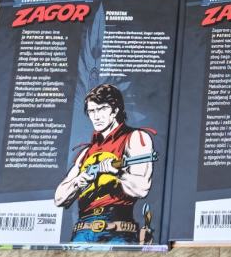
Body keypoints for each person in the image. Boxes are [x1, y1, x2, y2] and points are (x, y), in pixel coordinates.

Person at [54, 84, 156, 244]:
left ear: (115, 110)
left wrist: (118, 172)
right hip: (82, 231)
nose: (96, 116)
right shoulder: (86, 152)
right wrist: (78, 181)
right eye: (91, 111)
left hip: (117, 229)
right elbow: (59, 199)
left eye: (102, 109)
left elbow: (142, 188)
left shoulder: (135, 137)